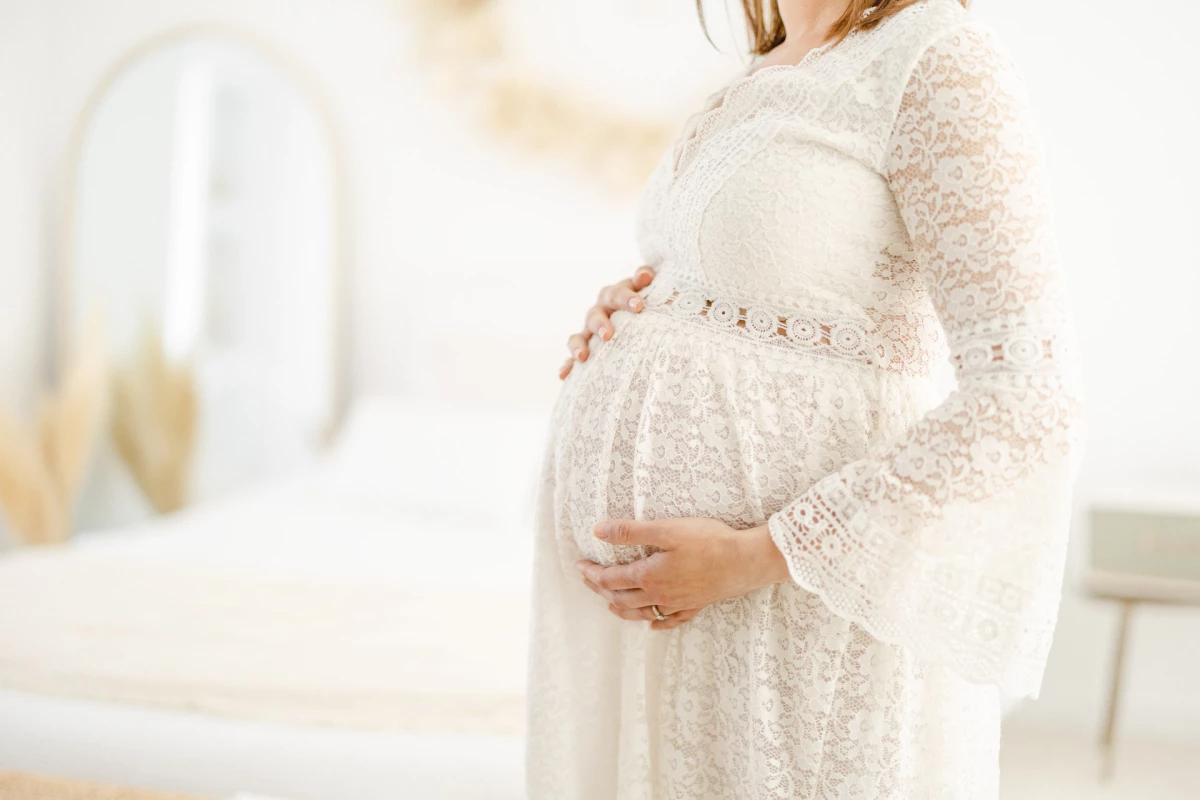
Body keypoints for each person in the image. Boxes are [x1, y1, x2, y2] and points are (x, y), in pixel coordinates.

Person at [527, 0, 1087, 797]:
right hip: (653, 642)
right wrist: (643, 306)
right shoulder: (764, 70)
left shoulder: (937, 57)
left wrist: (760, 555)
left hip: (788, 618)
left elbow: (1030, 399)